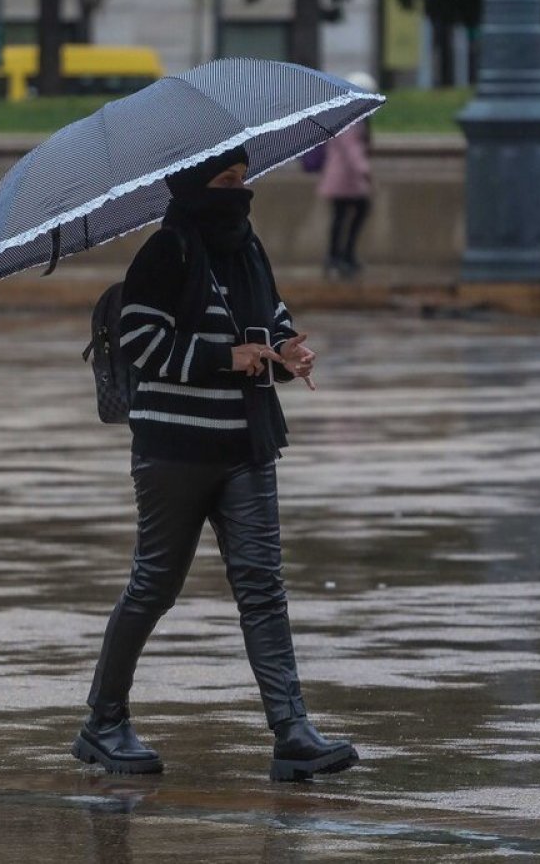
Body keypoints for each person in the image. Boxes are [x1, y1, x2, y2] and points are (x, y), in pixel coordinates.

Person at [70, 146, 359, 783]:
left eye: (242, 180)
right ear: (197, 185)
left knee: (263, 588)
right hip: (175, 450)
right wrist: (226, 358)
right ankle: (104, 722)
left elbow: (270, 314)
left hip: (247, 445)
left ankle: (291, 731)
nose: (238, 193)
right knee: (155, 585)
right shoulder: (165, 251)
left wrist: (285, 349)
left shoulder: (247, 247)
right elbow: (142, 341)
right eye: (225, 182)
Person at [319, 72, 377, 281]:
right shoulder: (350, 118)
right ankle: (340, 256)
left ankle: (340, 256)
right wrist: (364, 170)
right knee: (348, 214)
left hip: (344, 178)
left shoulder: (346, 114)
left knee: (343, 216)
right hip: (344, 178)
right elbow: (352, 149)